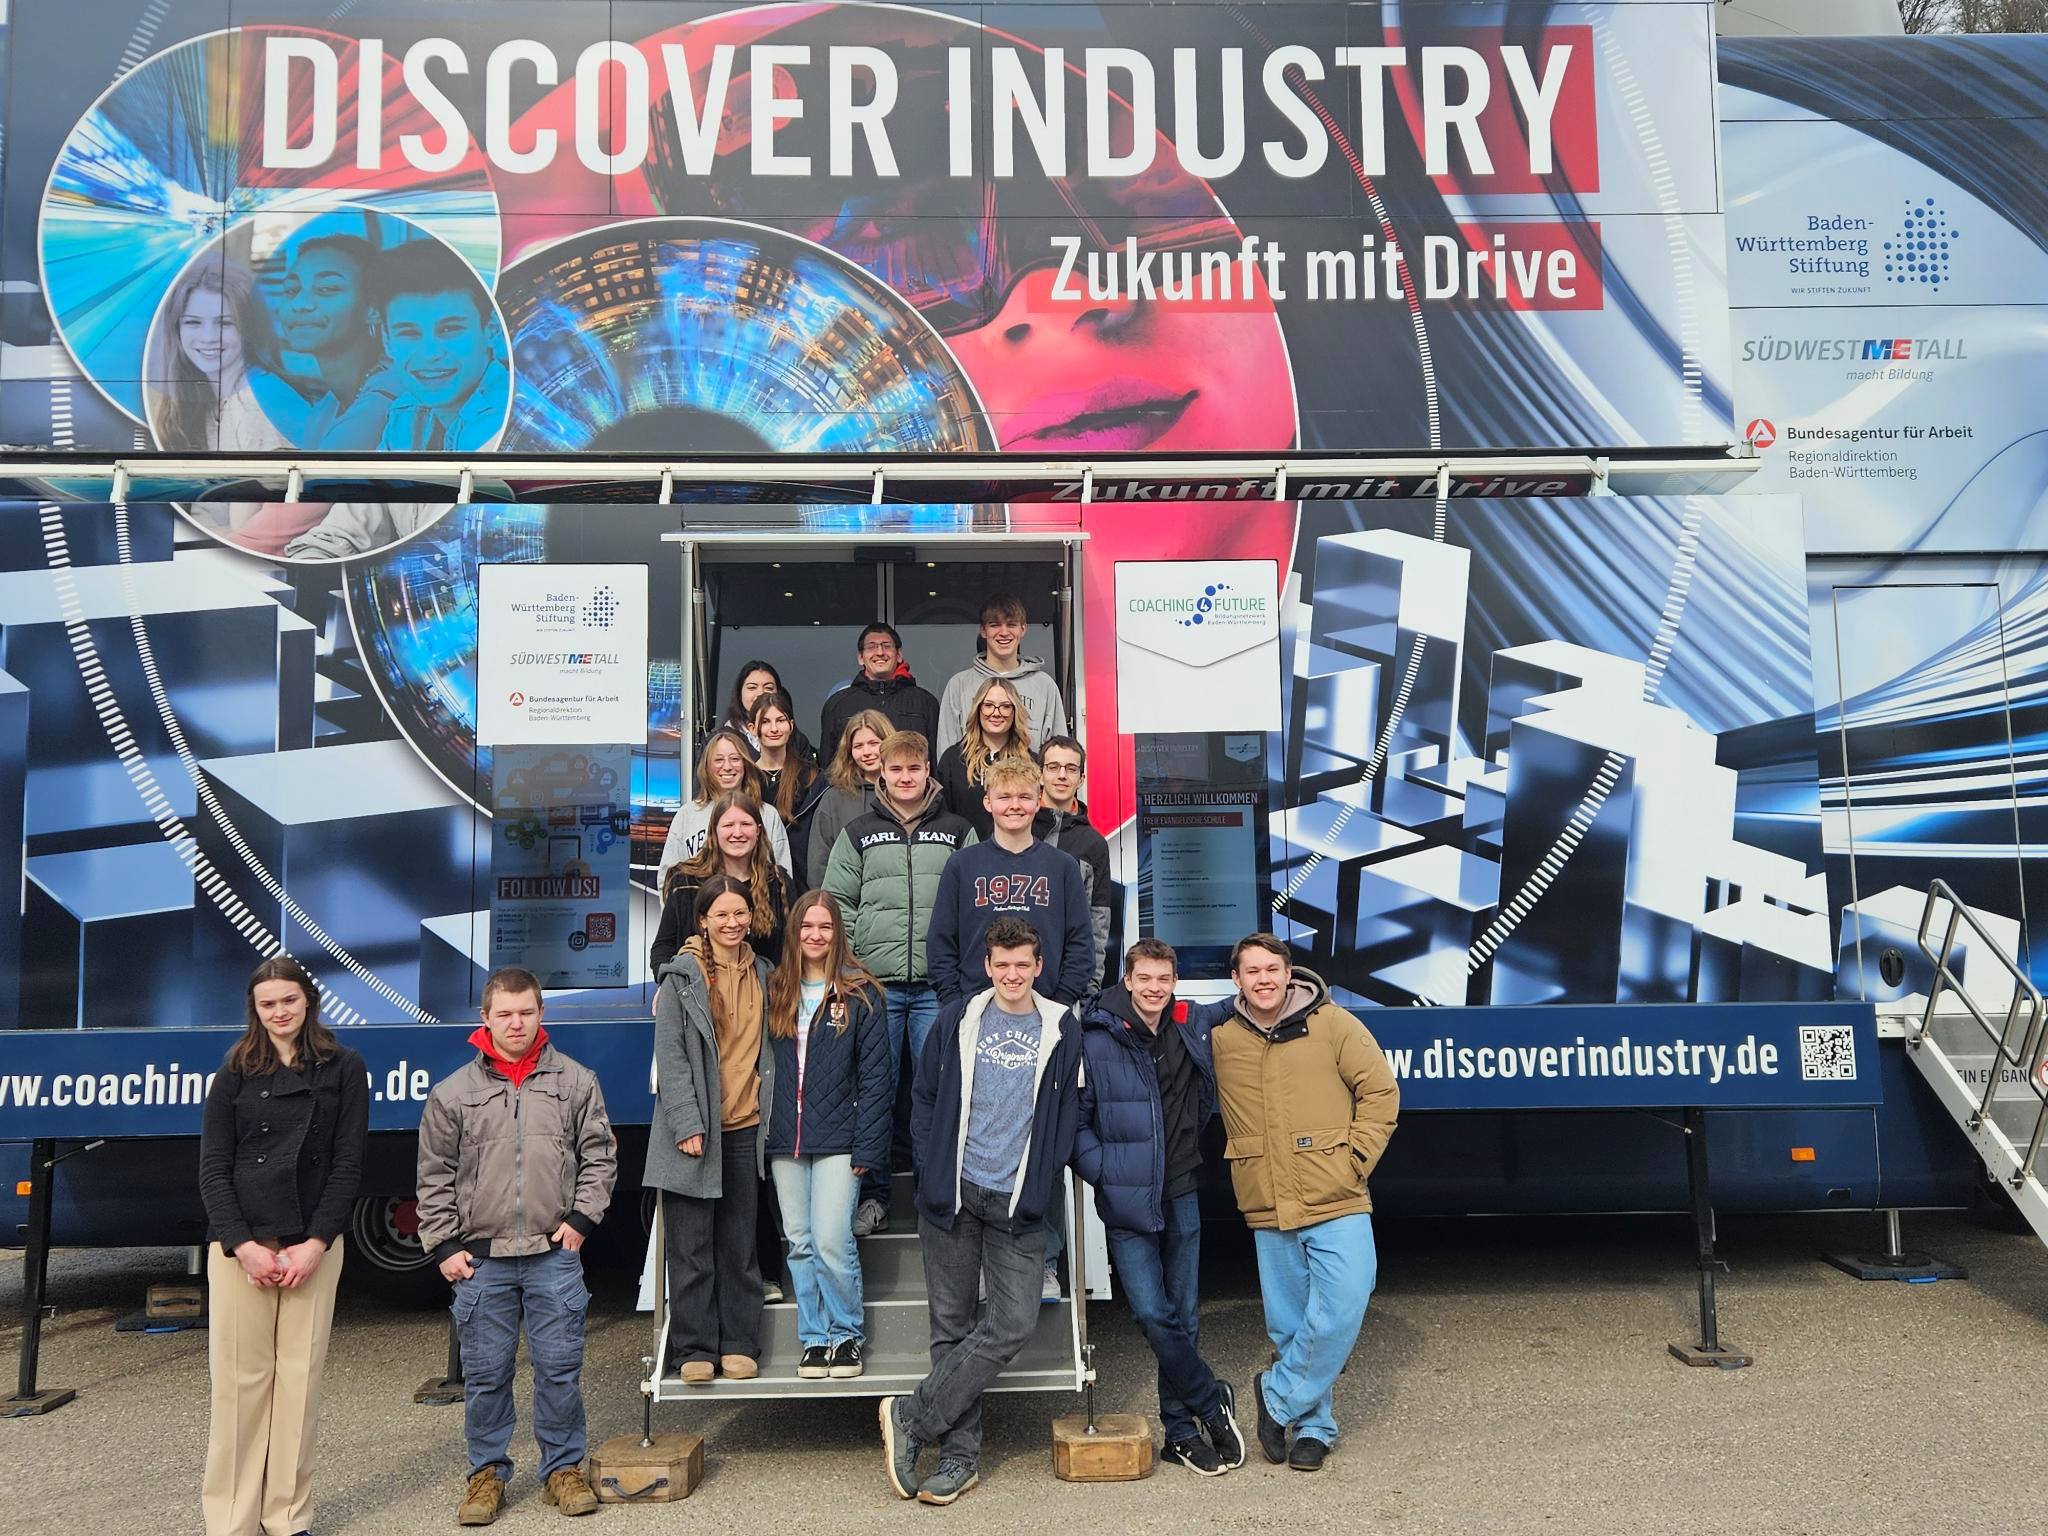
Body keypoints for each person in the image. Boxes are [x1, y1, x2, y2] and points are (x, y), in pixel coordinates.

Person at [879, 917, 1084, 1506]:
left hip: (1018, 1202)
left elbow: (1069, 1109)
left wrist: (1045, 1175)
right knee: (952, 1327)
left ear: (1038, 967)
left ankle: (912, 1417)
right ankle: (960, 1459)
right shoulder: (958, 1020)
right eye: (1003, 964)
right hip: (954, 1195)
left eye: (1024, 965)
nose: (1013, 974)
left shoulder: (1060, 1029)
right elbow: (922, 1100)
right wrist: (931, 1168)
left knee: (1013, 1323)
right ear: (987, 966)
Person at [416, 966, 616, 1524]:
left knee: (558, 1367)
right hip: (482, 1262)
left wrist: (582, 1218)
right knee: (486, 1374)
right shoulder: (453, 1093)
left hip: (554, 1255)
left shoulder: (576, 1082)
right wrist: (444, 1246)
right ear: (485, 1018)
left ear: (541, 1014)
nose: (516, 1023)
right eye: (504, 1014)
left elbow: (600, 1158)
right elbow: (433, 1177)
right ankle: (486, 1475)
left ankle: (563, 1469)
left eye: (526, 1012)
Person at [1208, 934, 1399, 1473]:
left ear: (1290, 974)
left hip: (1335, 1193)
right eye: (1252, 971)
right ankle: (1315, 1427)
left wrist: (1354, 1160)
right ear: (1236, 980)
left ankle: (1276, 1397)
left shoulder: (1333, 1024)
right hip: (1266, 1199)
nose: (1264, 979)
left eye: (1273, 968)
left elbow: (1381, 1093)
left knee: (1344, 1300)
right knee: (1291, 1324)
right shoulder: (1221, 1038)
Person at [197, 956, 367, 1536]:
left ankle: (289, 1517)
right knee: (240, 1389)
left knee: (298, 1384)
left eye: (288, 1000)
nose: (279, 1012)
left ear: (308, 1002)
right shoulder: (233, 1072)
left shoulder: (344, 1067)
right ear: (255, 1009)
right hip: (243, 1247)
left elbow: (347, 1166)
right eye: (268, 1003)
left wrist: (316, 1241)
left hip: (311, 1245)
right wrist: (242, 1244)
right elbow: (214, 1169)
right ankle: (231, 1522)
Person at [1071, 940, 1244, 1476]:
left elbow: (1256, 993)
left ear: (1174, 983)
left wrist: (1306, 989)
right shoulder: (1094, 1037)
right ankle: (1210, 1399)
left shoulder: (1188, 1022)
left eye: (1163, 980)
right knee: (1151, 1312)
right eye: (1144, 978)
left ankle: (1180, 1431)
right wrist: (1103, 1171)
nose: (1153, 989)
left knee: (1184, 1314)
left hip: (1182, 1188)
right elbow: (1074, 1124)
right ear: (1127, 980)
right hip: (1125, 1200)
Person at [820, 729, 977, 1237]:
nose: (905, 778)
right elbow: (836, 904)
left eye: (914, 768)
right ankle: (874, 1197)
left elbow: (973, 907)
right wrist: (854, 970)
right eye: (896, 769)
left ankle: (938, 1196)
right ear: (880, 773)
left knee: (938, 1093)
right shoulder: (860, 831)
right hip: (876, 989)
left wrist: (957, 972)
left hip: (937, 987)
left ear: (927, 770)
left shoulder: (958, 830)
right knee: (873, 1095)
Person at [644, 877, 778, 1386]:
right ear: (702, 920)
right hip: (695, 1130)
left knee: (740, 1246)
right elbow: (671, 1055)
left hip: (745, 1126)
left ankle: (740, 1343)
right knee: (691, 1247)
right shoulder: (680, 977)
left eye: (740, 913)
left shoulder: (765, 973)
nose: (731, 922)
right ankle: (694, 1347)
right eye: (721, 914)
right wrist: (686, 1122)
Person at [763, 890, 891, 1380]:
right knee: (798, 1240)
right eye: (806, 927)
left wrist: (869, 1147)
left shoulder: (861, 994)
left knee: (833, 1238)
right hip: (785, 1138)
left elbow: (878, 1079)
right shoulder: (775, 988)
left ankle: (846, 1336)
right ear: (794, 933)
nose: (815, 936)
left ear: (838, 934)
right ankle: (815, 1338)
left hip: (841, 1138)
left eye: (825, 927)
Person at [926, 756, 1092, 1009]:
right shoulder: (961, 865)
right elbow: (941, 942)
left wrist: (1061, 1001)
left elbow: (1080, 944)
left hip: (1047, 1008)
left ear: (1038, 802)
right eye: (1004, 797)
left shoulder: (1063, 867)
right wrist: (954, 1002)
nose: (1015, 805)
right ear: (988, 802)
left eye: (1024, 797)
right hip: (974, 1007)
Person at [320, 239, 509, 451]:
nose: (430, 354)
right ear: (387, 340)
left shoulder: (508, 417)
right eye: (409, 333)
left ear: (491, 329)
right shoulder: (405, 414)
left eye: (449, 329)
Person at [147, 260, 303, 452]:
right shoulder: (205, 397)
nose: (208, 337)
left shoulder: (261, 400)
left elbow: (275, 482)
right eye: (193, 322)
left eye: (225, 323)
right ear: (176, 330)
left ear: (249, 328)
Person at [651, 793, 790, 971]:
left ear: (758, 830)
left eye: (746, 824)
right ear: (714, 831)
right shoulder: (685, 881)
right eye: (729, 825)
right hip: (698, 992)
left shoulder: (778, 882)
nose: (737, 833)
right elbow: (663, 948)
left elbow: (790, 950)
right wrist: (668, 986)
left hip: (763, 993)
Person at [658, 728, 794, 892]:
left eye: (735, 759)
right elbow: (666, 878)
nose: (727, 767)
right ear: (707, 767)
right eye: (719, 760)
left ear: (745, 764)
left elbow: (783, 880)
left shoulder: (767, 815)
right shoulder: (686, 815)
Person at [936, 593, 1067, 755]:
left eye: (1011, 624)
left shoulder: (1045, 686)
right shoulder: (959, 685)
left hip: (1029, 779)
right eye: (995, 624)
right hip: (971, 780)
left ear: (1023, 629)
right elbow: (946, 751)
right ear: (983, 630)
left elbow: (1059, 753)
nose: (1004, 632)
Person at [1037, 735, 1112, 989]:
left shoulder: (1093, 844)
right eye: (1053, 767)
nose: (1062, 776)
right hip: (1015, 978)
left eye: (1071, 769)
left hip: (1068, 981)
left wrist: (1090, 985)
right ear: (1040, 774)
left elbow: (1098, 924)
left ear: (1081, 778)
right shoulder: (1016, 827)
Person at [818, 622, 940, 765]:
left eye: (886, 646)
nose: (880, 652)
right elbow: (828, 766)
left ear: (899, 654)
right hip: (852, 787)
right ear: (860, 657)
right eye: (871, 647)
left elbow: (934, 762)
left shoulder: (925, 702)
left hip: (908, 786)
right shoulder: (837, 705)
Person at [934, 674, 1037, 842]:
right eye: (988, 705)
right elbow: (943, 818)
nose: (996, 713)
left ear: (1015, 711)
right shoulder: (953, 760)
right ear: (978, 709)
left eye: (1005, 706)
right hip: (966, 856)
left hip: (1017, 857)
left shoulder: (1031, 763)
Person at [750, 689, 825, 886]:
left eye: (780, 720)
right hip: (755, 877)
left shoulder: (811, 776)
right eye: (765, 722)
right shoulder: (746, 778)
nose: (774, 728)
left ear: (791, 726)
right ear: (752, 728)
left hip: (801, 879)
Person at [806, 708, 889, 880]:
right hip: (845, 903)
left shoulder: (905, 794)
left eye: (874, 743)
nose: (866, 752)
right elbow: (819, 863)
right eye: (858, 746)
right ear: (849, 751)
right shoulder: (834, 798)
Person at [723, 659, 818, 762]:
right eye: (752, 688)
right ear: (739, 694)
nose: (760, 693)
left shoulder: (796, 740)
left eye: (768, 688)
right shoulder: (722, 738)